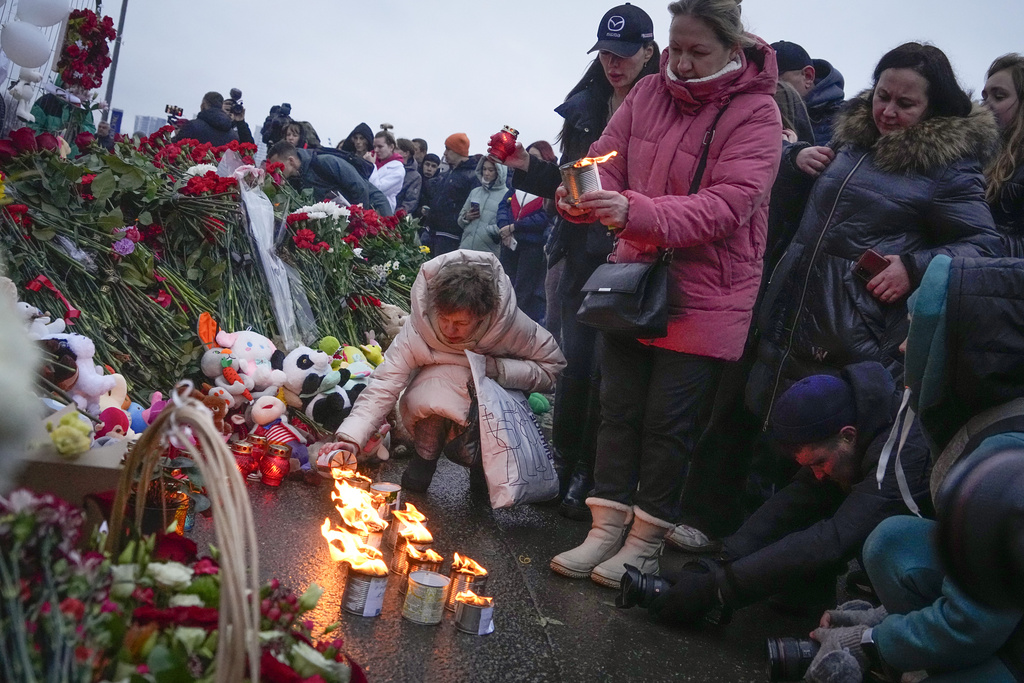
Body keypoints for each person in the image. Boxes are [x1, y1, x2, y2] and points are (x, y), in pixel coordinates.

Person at [548, 0, 782, 589]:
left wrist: (635, 210)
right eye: (675, 47)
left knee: (667, 424)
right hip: (634, 280)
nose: (680, 61)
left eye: (696, 51)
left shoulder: (757, 113)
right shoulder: (649, 93)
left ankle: (645, 542)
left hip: (707, 292)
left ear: (735, 48)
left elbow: (729, 206)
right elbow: (605, 160)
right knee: (618, 410)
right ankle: (604, 528)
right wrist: (581, 193)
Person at [746, 43, 1002, 499]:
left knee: (820, 473)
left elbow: (986, 245)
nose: (887, 111)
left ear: (934, 108)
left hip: (853, 336)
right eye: (882, 95)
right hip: (793, 316)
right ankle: (737, 551)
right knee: (770, 441)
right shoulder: (852, 140)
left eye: (905, 104)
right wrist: (797, 160)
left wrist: (914, 267)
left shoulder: (950, 167)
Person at [802, 255, 1024, 683]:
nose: (904, 347)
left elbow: (971, 625)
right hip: (1005, 600)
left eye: (916, 329)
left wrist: (870, 640)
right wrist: (885, 618)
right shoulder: (999, 408)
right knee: (895, 541)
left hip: (1002, 633)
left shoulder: (1005, 462)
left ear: (956, 342)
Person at [493, 2, 659, 521]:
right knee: (574, 362)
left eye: (626, 53)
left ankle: (594, 472)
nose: (615, 63)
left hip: (631, 252)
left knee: (613, 373)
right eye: (606, 53)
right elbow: (573, 183)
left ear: (650, 52)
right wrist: (529, 168)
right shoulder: (586, 104)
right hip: (578, 252)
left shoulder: (663, 105)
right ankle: (564, 461)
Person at [644, 362, 931, 625]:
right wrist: (717, 564)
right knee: (820, 492)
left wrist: (718, 590)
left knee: (876, 538)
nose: (817, 473)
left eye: (819, 462)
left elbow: (835, 538)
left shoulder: (901, 455)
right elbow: (796, 498)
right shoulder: (860, 420)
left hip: (952, 561)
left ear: (848, 434)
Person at [317, 250, 565, 493]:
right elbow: (384, 383)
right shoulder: (419, 327)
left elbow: (552, 367)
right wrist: (351, 438)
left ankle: (485, 467)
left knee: (477, 399)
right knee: (438, 385)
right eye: (444, 318)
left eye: (460, 323)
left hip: (490, 406)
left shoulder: (509, 326)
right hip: (432, 400)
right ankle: (424, 459)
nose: (449, 329)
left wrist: (500, 369)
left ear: (482, 316)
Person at [497, 141, 556, 324]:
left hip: (531, 245)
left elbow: (544, 217)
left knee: (523, 289)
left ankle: (516, 325)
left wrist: (516, 227)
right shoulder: (517, 184)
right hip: (509, 242)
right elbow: (503, 206)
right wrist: (504, 227)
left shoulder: (547, 188)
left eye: (535, 158)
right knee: (504, 283)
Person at [267, 141, 393, 216]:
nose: (277, 170)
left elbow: (359, 187)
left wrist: (361, 219)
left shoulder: (324, 162)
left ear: (291, 161)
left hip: (375, 210)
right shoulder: (297, 179)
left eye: (278, 165)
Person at [983, 53, 1024, 257]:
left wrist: (973, 242)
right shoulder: (975, 158)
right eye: (985, 97)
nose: (986, 104)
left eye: (999, 96)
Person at [771, 40, 845, 145]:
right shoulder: (762, 114)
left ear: (808, 76)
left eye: (775, 79)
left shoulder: (849, 121)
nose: (766, 86)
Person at [422, 133, 479, 255]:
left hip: (450, 236)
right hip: (431, 231)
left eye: (448, 149)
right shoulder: (449, 173)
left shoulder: (472, 176)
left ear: (458, 151)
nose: (444, 153)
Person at [458, 158, 508, 257]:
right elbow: (460, 221)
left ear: (499, 172)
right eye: (484, 169)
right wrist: (466, 217)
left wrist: (490, 231)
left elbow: (507, 224)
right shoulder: (475, 192)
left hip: (488, 251)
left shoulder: (506, 195)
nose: (486, 173)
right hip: (465, 248)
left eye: (491, 170)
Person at [175, 91, 239, 146]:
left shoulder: (192, 125)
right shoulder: (234, 136)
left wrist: (177, 134)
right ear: (221, 106)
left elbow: (173, 148)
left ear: (203, 105)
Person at [369, 126, 406, 213]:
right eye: (374, 146)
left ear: (391, 147)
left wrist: (371, 166)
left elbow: (378, 189)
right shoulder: (373, 160)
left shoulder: (398, 170)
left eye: (380, 147)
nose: (376, 150)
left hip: (382, 210)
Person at [396, 138, 423, 215]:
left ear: (406, 153)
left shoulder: (415, 177)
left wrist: (394, 216)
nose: (393, 151)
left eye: (397, 148)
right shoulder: (386, 166)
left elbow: (410, 202)